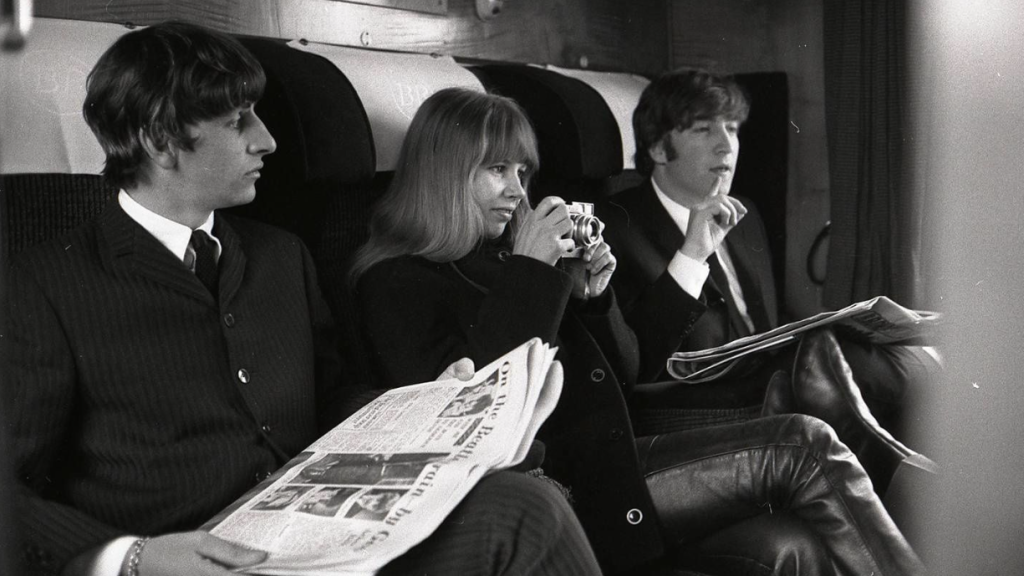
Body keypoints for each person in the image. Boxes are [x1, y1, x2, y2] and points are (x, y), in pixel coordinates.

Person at [2, 22, 603, 576]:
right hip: (185, 554)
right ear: (161, 139)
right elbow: (12, 490)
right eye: (239, 121)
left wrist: (425, 409)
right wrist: (133, 558)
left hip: (320, 534)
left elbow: (333, 395)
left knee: (527, 505)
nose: (266, 140)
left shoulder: (279, 256)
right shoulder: (44, 284)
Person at [351, 86, 926, 576]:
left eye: (522, 171)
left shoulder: (507, 261)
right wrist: (533, 274)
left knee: (807, 432)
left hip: (613, 454)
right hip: (566, 484)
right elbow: (474, 414)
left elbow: (626, 371)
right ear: (447, 174)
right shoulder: (396, 281)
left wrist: (592, 301)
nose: (517, 191)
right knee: (802, 443)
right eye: (496, 170)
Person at [595, 68, 938, 495]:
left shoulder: (745, 215)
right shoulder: (614, 224)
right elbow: (633, 362)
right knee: (845, 360)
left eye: (733, 129)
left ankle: (929, 474)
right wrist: (692, 255)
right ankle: (916, 484)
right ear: (658, 148)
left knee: (902, 356)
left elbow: (762, 328)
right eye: (704, 129)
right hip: (688, 407)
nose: (726, 145)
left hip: (765, 386)